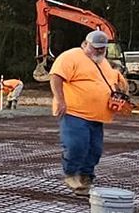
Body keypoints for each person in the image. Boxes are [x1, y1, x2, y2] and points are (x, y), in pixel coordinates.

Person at [47, 28, 129, 192]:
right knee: (76, 145)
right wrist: (61, 101)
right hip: (74, 112)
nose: (99, 50)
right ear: (85, 44)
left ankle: (85, 177)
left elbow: (110, 81)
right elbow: (56, 76)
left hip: (97, 116)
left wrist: (120, 88)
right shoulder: (71, 56)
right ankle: (71, 174)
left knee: (94, 149)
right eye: (95, 47)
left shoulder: (103, 62)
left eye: (102, 48)